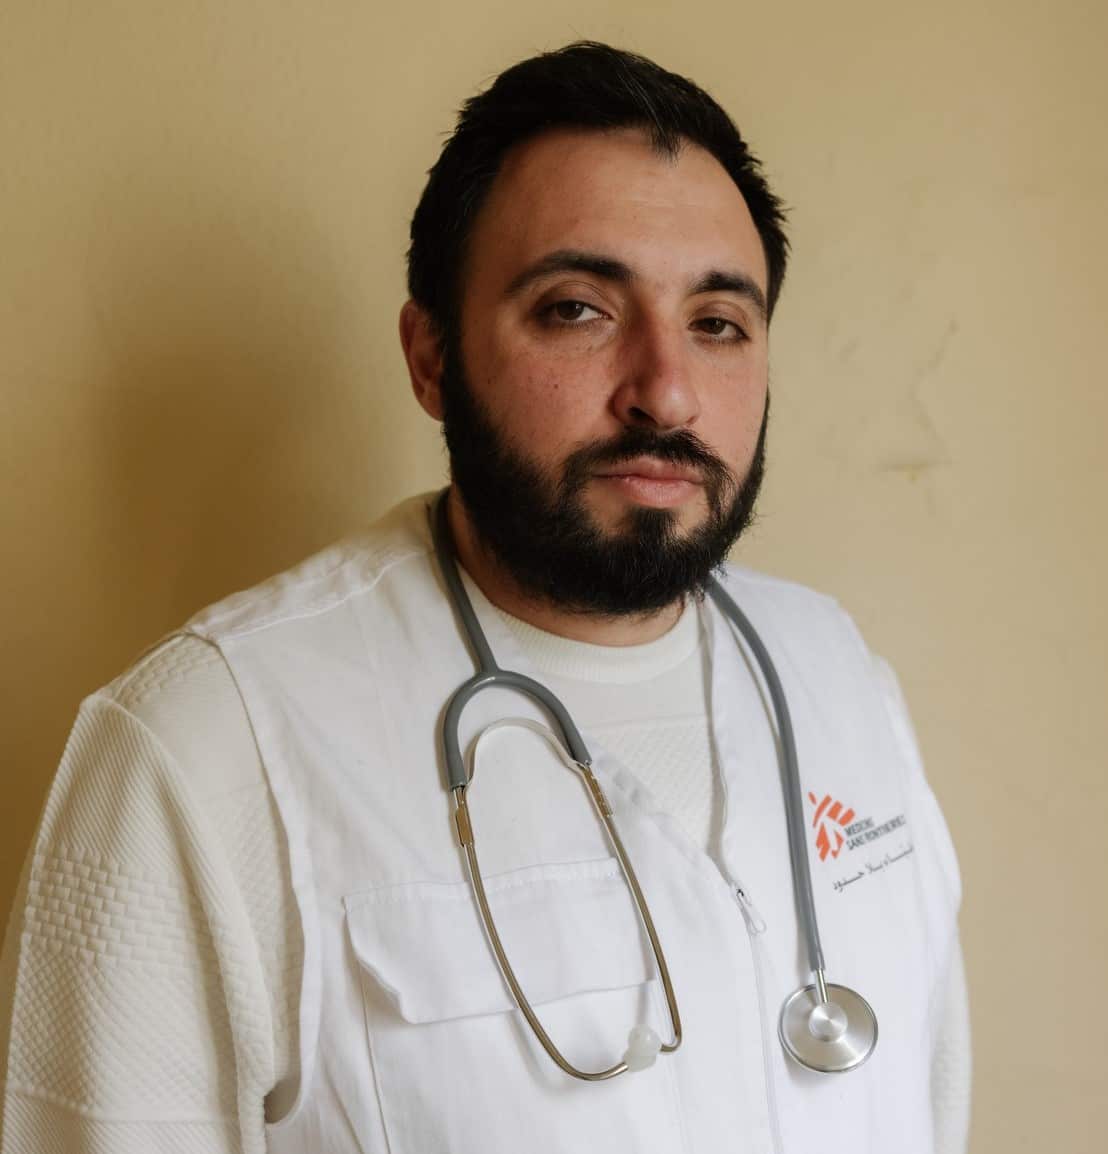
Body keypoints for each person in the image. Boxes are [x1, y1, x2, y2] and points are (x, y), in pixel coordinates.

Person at [0, 41, 970, 1154]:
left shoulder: (839, 676)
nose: (665, 386)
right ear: (430, 357)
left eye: (717, 322)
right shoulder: (202, 743)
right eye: (576, 308)